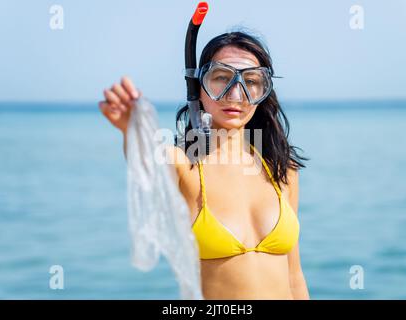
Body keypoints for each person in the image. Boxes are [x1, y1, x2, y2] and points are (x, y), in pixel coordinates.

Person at [99, 31, 310, 300]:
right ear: (198, 87)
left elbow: (294, 276)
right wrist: (132, 129)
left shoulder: (282, 168)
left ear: (263, 91)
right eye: (221, 78)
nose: (236, 94)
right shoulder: (184, 165)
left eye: (251, 81)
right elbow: (147, 164)